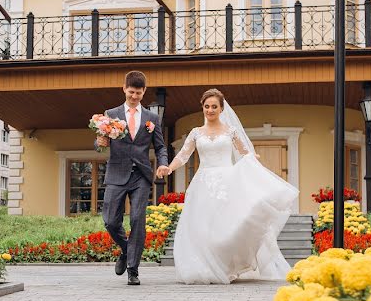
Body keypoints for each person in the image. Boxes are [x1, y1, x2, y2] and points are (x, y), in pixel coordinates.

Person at [161, 89, 298, 284]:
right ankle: (206, 267)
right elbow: (183, 155)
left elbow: (245, 153)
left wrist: (253, 158)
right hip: (203, 183)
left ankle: (226, 266)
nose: (210, 110)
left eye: (214, 106)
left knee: (226, 225)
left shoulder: (230, 131)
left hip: (227, 181)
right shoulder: (195, 133)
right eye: (207, 106)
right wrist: (169, 167)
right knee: (203, 226)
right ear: (202, 107)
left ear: (221, 108)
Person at [96, 70, 169, 285]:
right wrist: (99, 143)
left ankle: (133, 269)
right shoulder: (111, 113)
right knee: (110, 221)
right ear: (124, 89)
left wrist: (163, 163)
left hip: (141, 176)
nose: (134, 96)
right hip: (117, 172)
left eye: (138, 92)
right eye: (131, 92)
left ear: (144, 91)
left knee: (138, 220)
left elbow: (161, 146)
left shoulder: (152, 118)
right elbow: (101, 140)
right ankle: (127, 250)